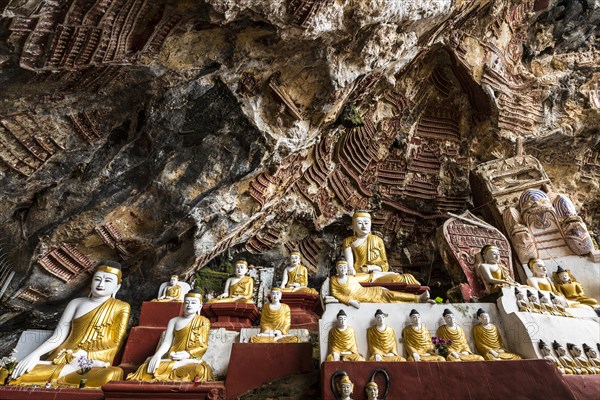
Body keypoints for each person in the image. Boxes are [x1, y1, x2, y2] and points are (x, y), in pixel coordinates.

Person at [2, 261, 130, 387]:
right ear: (91, 282)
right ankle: (63, 373)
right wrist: (34, 355)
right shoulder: (76, 303)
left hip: (90, 362)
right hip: (61, 358)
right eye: (97, 279)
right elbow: (58, 337)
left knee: (110, 374)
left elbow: (115, 345)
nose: (101, 284)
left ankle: (63, 373)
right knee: (5, 373)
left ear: (117, 287)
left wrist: (86, 356)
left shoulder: (121, 307)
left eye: (108, 281)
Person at [127, 289, 213, 381]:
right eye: (187, 302)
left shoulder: (204, 321)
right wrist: (157, 355)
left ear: (200, 306)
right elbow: (167, 343)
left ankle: (182, 364)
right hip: (172, 357)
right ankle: (176, 365)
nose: (189, 305)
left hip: (191, 359)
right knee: (146, 368)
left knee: (199, 371)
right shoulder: (174, 321)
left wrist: (187, 354)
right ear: (183, 305)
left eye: (193, 302)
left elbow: (203, 346)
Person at [343, 210, 419, 284]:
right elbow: (349, 265)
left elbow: (385, 265)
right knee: (346, 280)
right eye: (359, 223)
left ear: (370, 224)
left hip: (377, 273)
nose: (364, 226)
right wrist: (350, 268)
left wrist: (370, 268)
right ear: (353, 226)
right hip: (359, 273)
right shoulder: (349, 241)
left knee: (401, 278)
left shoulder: (378, 240)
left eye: (366, 223)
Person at [329, 259, 428, 309]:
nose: (343, 269)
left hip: (366, 289)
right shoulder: (334, 280)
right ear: (336, 269)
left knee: (388, 293)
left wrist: (371, 268)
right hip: (358, 295)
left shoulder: (350, 278)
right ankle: (415, 301)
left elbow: (384, 265)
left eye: (344, 267)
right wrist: (350, 301)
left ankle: (417, 298)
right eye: (340, 267)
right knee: (388, 299)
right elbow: (335, 294)